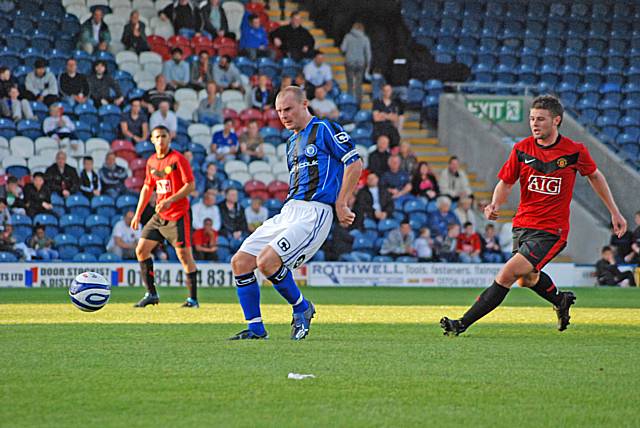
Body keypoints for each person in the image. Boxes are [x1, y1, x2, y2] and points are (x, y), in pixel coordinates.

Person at [441, 95, 628, 336]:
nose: (534, 123)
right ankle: (560, 300)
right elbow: (506, 182)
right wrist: (494, 204)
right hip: (523, 225)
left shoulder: (574, 151)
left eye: (540, 119)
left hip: (552, 230)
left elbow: (595, 176)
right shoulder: (521, 149)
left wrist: (614, 212)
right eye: (531, 119)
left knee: (507, 274)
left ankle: (461, 324)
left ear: (556, 121)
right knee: (527, 279)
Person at [229, 86, 362, 340]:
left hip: (315, 212)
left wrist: (341, 202)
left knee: (267, 262)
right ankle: (256, 329)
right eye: (279, 111)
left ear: (305, 104)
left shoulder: (324, 129)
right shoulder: (291, 142)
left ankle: (301, 308)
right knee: (240, 262)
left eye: (288, 109)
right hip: (290, 210)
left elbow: (354, 163)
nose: (283, 116)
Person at [132, 125, 200, 308]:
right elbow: (147, 187)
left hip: (178, 214)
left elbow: (190, 186)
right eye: (157, 137)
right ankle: (151, 294)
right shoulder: (151, 162)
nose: (161, 140)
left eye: (164, 136)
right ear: (152, 140)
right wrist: (138, 214)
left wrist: (170, 200)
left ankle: (192, 299)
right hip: (159, 215)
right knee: (141, 250)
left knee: (184, 256)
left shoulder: (178, 159)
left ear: (169, 138)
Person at [340, 22, 371, 105]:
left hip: (349, 62)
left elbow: (343, 48)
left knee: (350, 84)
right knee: (358, 84)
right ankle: (358, 103)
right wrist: (368, 65)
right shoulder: (365, 38)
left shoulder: (348, 37)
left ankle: (350, 103)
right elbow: (368, 53)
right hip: (361, 63)